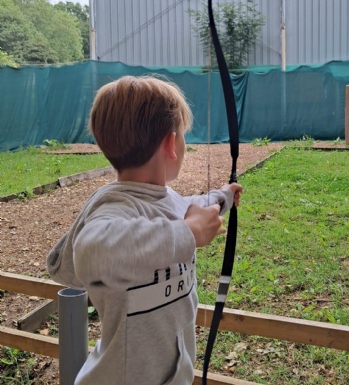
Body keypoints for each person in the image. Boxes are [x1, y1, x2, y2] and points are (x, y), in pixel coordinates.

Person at [47, 75, 242, 385]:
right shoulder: (115, 208)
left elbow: (191, 207)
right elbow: (92, 251)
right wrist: (187, 234)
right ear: (170, 144)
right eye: (183, 135)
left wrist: (223, 196)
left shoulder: (167, 200)